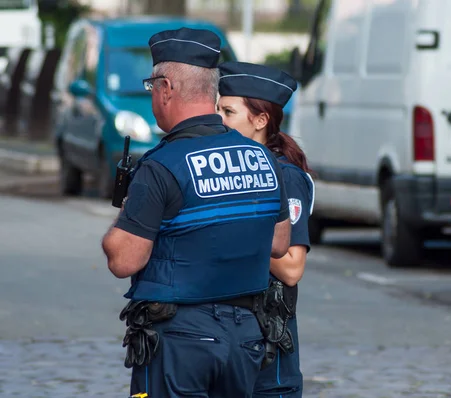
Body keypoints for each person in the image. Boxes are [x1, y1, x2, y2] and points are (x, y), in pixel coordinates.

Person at [101, 28, 291, 398]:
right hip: (247, 337)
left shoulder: (161, 165)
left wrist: (122, 219)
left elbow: (123, 259)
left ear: (166, 87)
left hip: (180, 340)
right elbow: (279, 243)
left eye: (151, 86)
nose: (153, 95)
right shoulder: (263, 158)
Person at [217, 61, 315, 398]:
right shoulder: (230, 171)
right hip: (229, 344)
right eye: (217, 109)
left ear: (260, 120)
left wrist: (230, 229)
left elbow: (291, 268)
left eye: (228, 112)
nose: (219, 120)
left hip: (270, 351)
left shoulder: (285, 175)